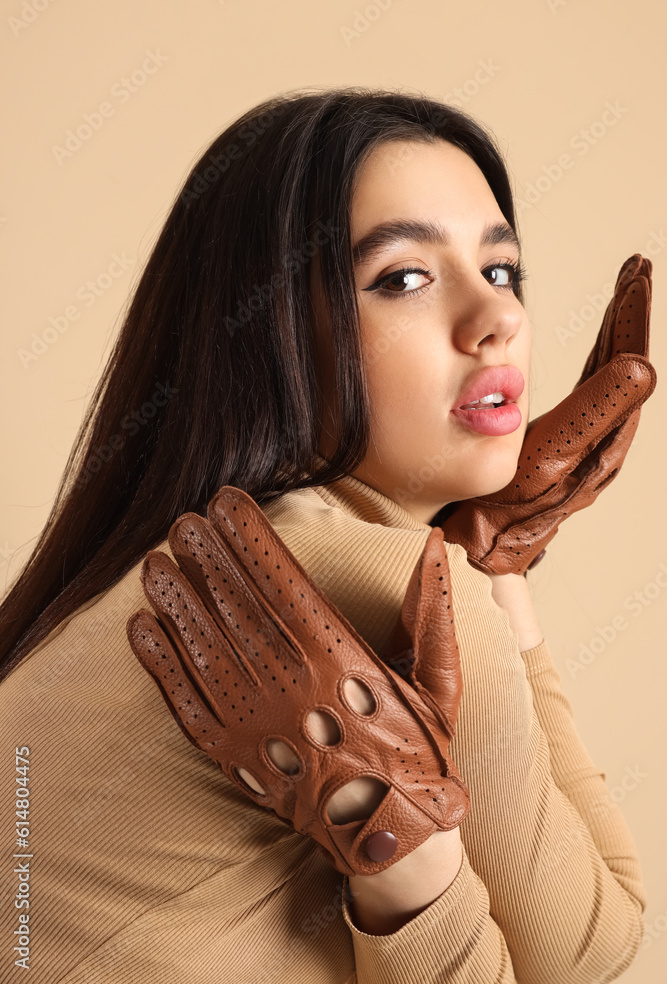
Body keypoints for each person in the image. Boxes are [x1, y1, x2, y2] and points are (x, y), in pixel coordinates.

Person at [0, 87, 652, 983]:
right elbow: (593, 948)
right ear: (271, 333)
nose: (494, 319)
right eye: (403, 278)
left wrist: (485, 557)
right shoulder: (389, 579)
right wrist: (408, 868)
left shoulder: (148, 564)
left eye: (501, 271)